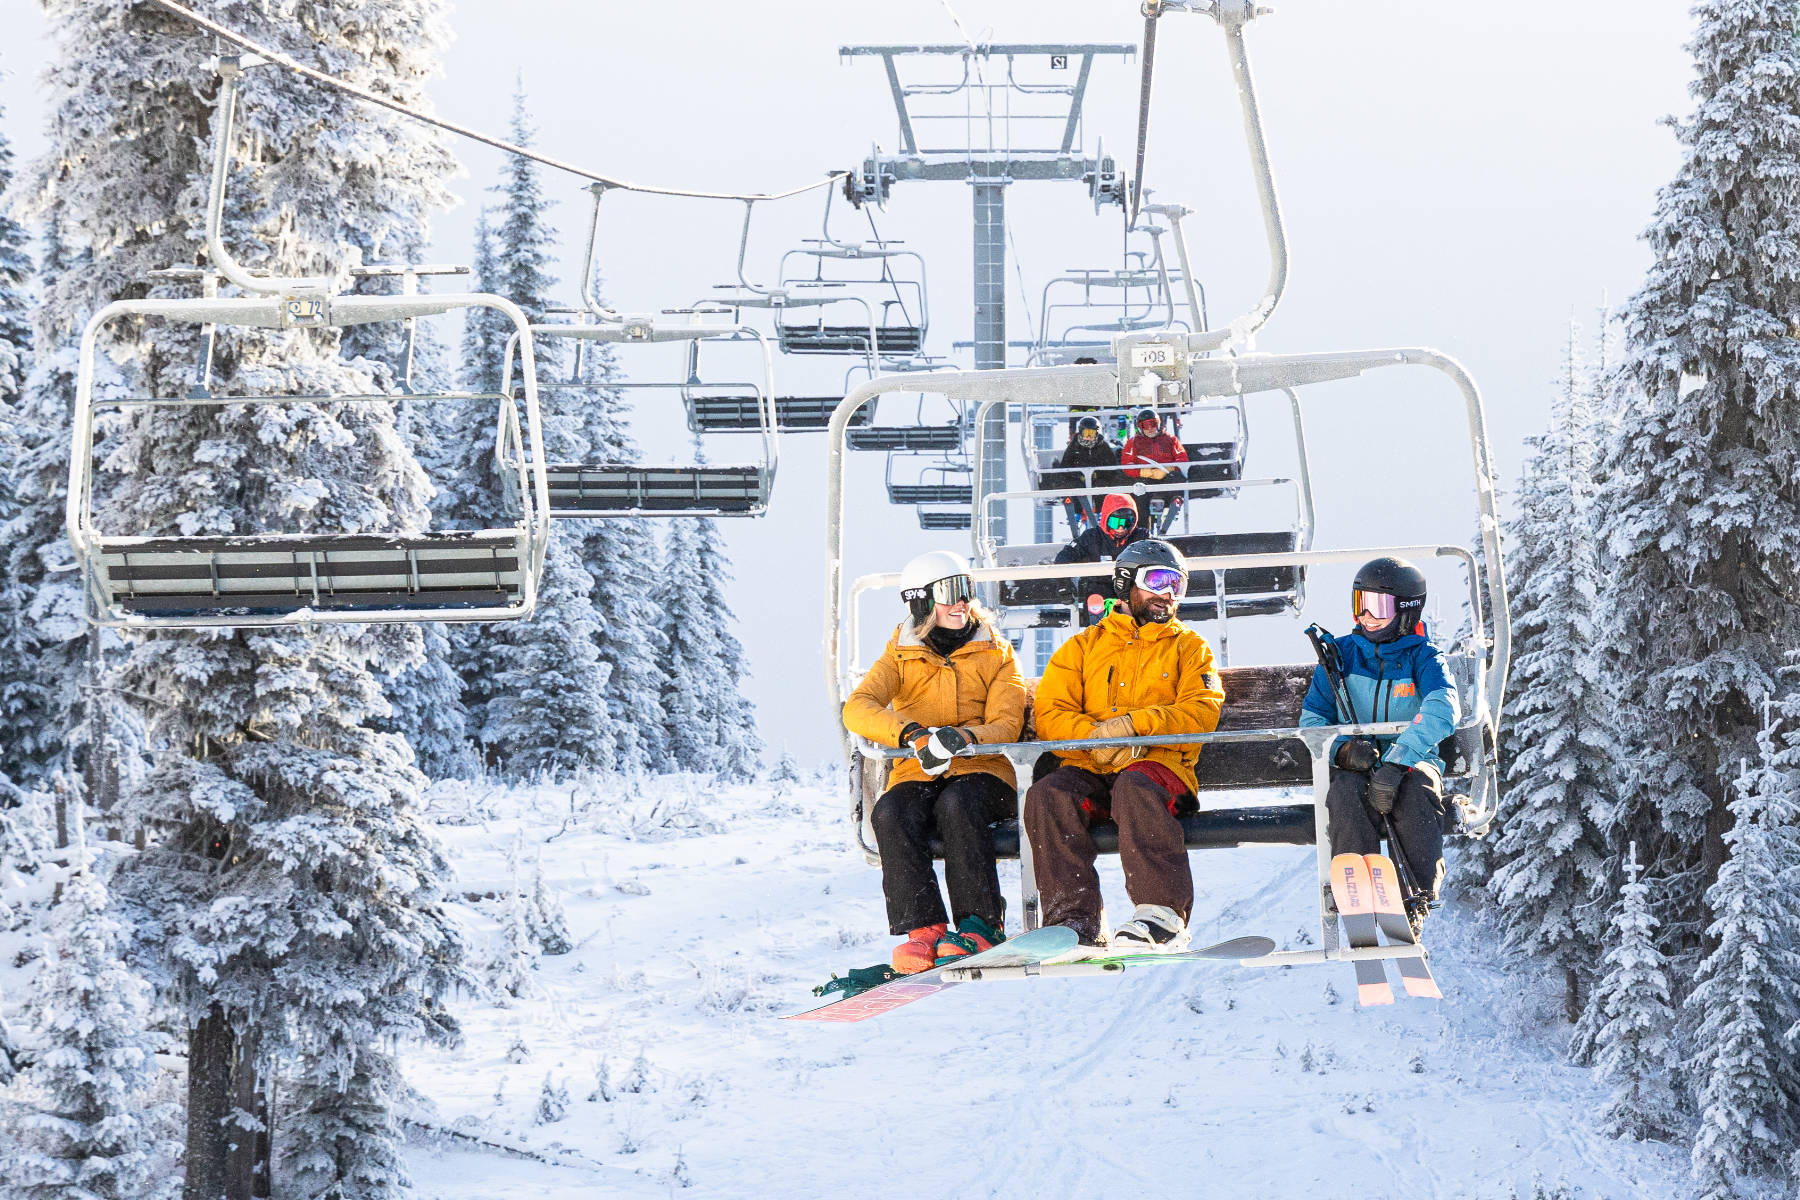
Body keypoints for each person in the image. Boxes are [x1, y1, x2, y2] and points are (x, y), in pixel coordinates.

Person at [1023, 539, 1225, 952]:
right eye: (1158, 580)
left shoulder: (1190, 648)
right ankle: (1074, 921)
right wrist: (1097, 738)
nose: (1168, 593)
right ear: (1125, 583)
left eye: (1178, 585)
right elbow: (1050, 711)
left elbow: (1201, 710)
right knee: (1049, 795)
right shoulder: (1082, 649)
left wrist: (1135, 726)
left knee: (1136, 788)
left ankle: (1161, 915)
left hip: (1158, 768)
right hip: (1092, 766)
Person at [842, 550, 1027, 973]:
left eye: (966, 590)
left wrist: (963, 737)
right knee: (891, 811)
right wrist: (908, 733)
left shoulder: (995, 652)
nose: (961, 602)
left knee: (957, 806)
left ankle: (980, 923)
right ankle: (924, 929)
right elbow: (859, 707)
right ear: (922, 602)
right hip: (919, 767)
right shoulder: (902, 653)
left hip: (984, 769)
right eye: (949, 592)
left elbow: (1006, 723)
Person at [1300, 556, 1459, 929]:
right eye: (1361, 603)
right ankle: (1355, 890)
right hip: (1357, 765)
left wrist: (1398, 760)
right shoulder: (1339, 657)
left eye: (1379, 606)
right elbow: (1312, 721)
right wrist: (1341, 751)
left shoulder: (1424, 658)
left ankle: (1413, 897)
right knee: (1345, 794)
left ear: (1405, 610)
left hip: (1411, 761)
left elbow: (1442, 708)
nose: (1367, 615)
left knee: (1416, 792)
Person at [1053, 493, 1148, 625]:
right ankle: (1099, 622)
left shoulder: (1141, 537)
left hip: (1131, 586)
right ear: (1105, 519)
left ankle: (1134, 621)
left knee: (1137, 596)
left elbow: (1164, 552)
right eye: (1115, 523)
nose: (1120, 528)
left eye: (1126, 523)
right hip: (1100, 587)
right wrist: (1063, 584)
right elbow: (1064, 557)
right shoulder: (1092, 537)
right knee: (1098, 597)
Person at [1046, 417, 1123, 535]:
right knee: (1075, 487)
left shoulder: (1103, 446)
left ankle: (1100, 513)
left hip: (1098, 480)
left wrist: (1099, 474)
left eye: (1092, 433)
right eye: (1086, 433)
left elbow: (1112, 467)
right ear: (1080, 432)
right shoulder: (1074, 446)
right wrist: (1078, 475)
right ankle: (1076, 514)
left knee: (1101, 487)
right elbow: (1066, 466)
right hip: (1079, 480)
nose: (1089, 436)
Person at [1120, 409, 1190, 532]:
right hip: (1146, 479)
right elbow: (1127, 463)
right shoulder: (1134, 442)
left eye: (1153, 424)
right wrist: (1144, 472)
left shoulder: (1170, 440)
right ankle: (1143, 531)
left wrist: (1169, 468)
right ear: (1140, 427)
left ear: (1158, 424)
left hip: (1166, 477)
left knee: (1178, 479)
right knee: (1139, 493)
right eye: (1145, 426)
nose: (1150, 429)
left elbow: (1182, 457)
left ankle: (1172, 507)